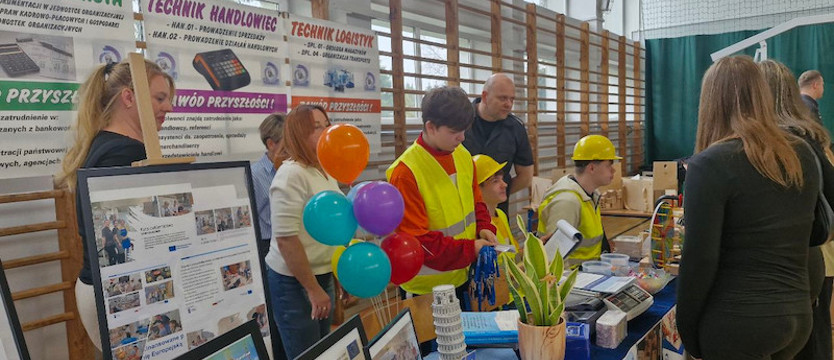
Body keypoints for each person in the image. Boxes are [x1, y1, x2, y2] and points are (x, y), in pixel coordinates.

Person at [677, 56, 819, 359]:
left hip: (738, 321)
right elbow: (810, 234)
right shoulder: (801, 154)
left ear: (710, 102)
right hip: (796, 315)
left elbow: (699, 259)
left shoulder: (709, 164)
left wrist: (687, 330)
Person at [55, 59, 174, 350]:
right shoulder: (124, 154)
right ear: (129, 97)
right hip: (114, 291)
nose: (169, 108)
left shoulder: (108, 145)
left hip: (104, 289)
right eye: (160, 98)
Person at [387, 86, 498, 302]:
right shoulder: (405, 173)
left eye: (464, 130)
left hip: (462, 275)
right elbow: (419, 241)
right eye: (454, 131)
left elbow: (476, 201)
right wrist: (470, 249)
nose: (462, 137)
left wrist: (484, 226)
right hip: (426, 290)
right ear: (431, 127)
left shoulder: (463, 155)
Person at [760, 59, 834, 360]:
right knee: (815, 334)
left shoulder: (772, 144)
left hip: (785, 267)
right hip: (812, 258)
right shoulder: (811, 137)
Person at [265, 104, 339, 359]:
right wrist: (312, 289)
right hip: (294, 282)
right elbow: (286, 240)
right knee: (306, 352)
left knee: (323, 349)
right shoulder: (291, 174)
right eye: (317, 127)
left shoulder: (324, 168)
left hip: (322, 273)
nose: (326, 131)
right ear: (298, 134)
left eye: (326, 125)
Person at [537, 135, 620, 266]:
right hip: (574, 276)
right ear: (592, 168)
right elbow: (554, 260)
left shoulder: (590, 195)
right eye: (609, 165)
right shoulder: (567, 202)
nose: (613, 169)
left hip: (589, 271)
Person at [463, 73, 534, 214]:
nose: (509, 104)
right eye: (503, 98)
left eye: (512, 99)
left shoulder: (516, 128)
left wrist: (495, 193)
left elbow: (525, 177)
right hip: (462, 207)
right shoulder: (461, 121)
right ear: (485, 96)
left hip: (496, 210)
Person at [251, 113, 287, 259]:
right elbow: (251, 218)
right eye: (287, 144)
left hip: (294, 239)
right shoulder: (255, 175)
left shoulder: (293, 169)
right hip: (267, 245)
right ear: (271, 144)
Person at [472, 154, 520, 253]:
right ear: (477, 189)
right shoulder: (477, 226)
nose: (504, 185)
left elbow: (512, 251)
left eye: (502, 179)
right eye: (495, 181)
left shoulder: (500, 214)